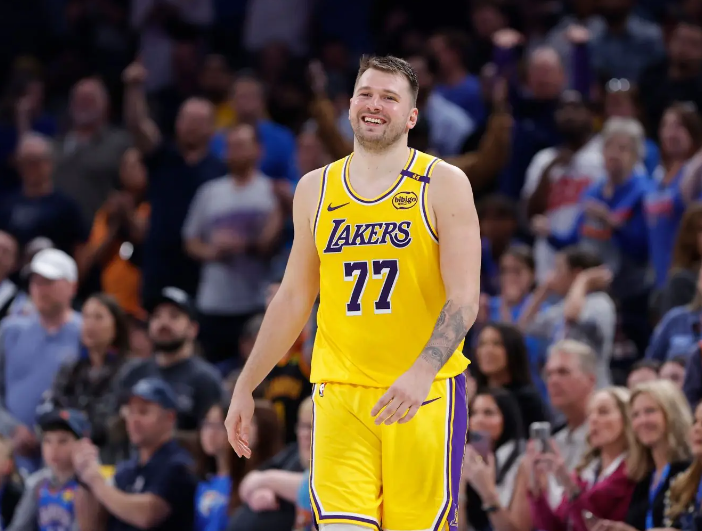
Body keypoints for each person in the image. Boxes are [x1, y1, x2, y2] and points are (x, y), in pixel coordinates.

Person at [226, 55, 481, 531]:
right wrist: (245, 385)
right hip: (340, 394)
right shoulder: (315, 188)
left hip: (423, 396)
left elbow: (464, 300)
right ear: (349, 105)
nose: (374, 105)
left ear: (412, 116)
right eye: (366, 94)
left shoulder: (444, 183)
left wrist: (422, 371)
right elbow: (293, 298)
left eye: (389, 97)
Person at [72, 378, 198, 531]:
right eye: (130, 412)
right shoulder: (126, 470)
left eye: (143, 412)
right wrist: (85, 479)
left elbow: (146, 516)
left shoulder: (178, 466)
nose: (134, 420)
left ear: (169, 417)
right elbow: (91, 526)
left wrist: (96, 481)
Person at [594, 380, 691, 531]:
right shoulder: (642, 477)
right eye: (635, 415)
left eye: (650, 411)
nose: (642, 421)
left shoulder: (691, 471)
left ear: (672, 413)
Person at [8, 408, 89, 531]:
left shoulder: (89, 487)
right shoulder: (38, 485)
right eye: (47, 441)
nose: (54, 448)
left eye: (63, 441)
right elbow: (19, 527)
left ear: (83, 443)